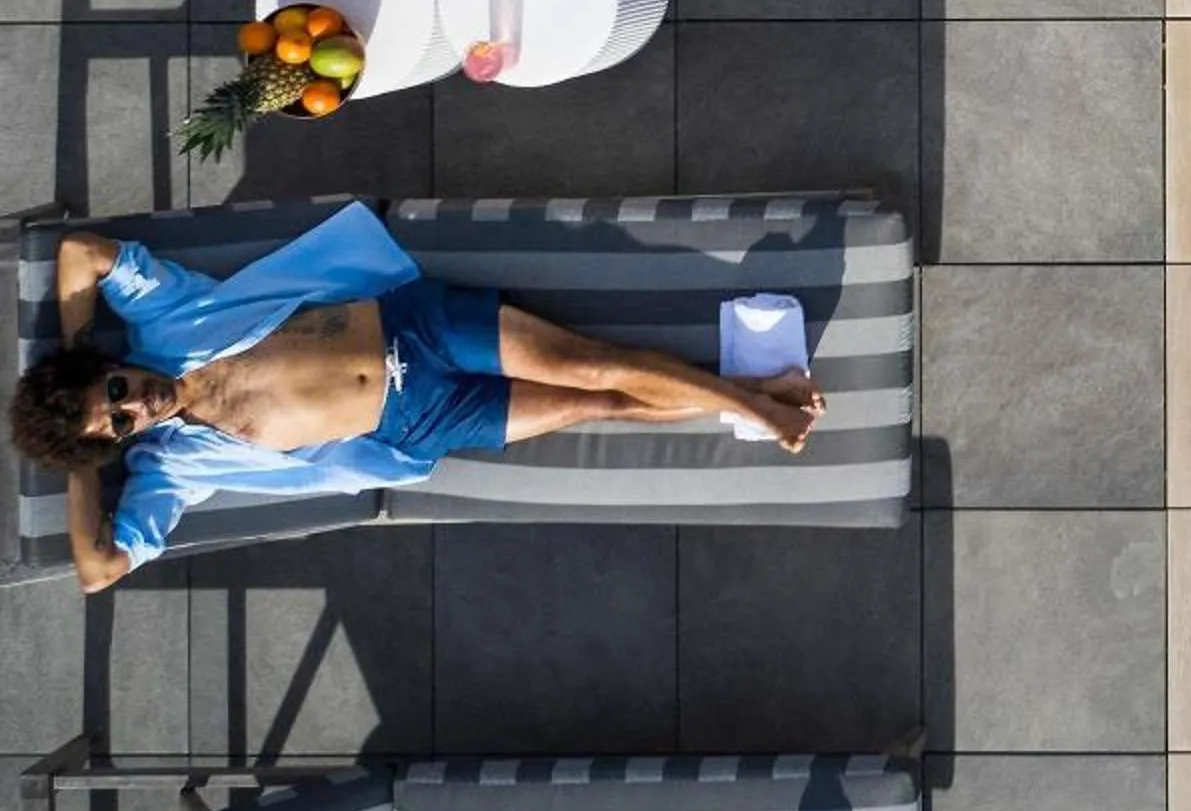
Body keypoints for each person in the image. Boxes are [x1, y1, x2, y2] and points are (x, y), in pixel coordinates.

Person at [7, 203, 826, 592]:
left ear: (109, 366)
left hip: (413, 329)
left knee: (588, 365)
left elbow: (82, 253)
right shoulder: (169, 469)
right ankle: (758, 393)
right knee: (601, 406)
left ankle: (759, 410)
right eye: (119, 422)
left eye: (115, 391)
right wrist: (90, 459)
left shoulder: (166, 316)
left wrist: (77, 347)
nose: (134, 405)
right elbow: (98, 569)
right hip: (415, 421)